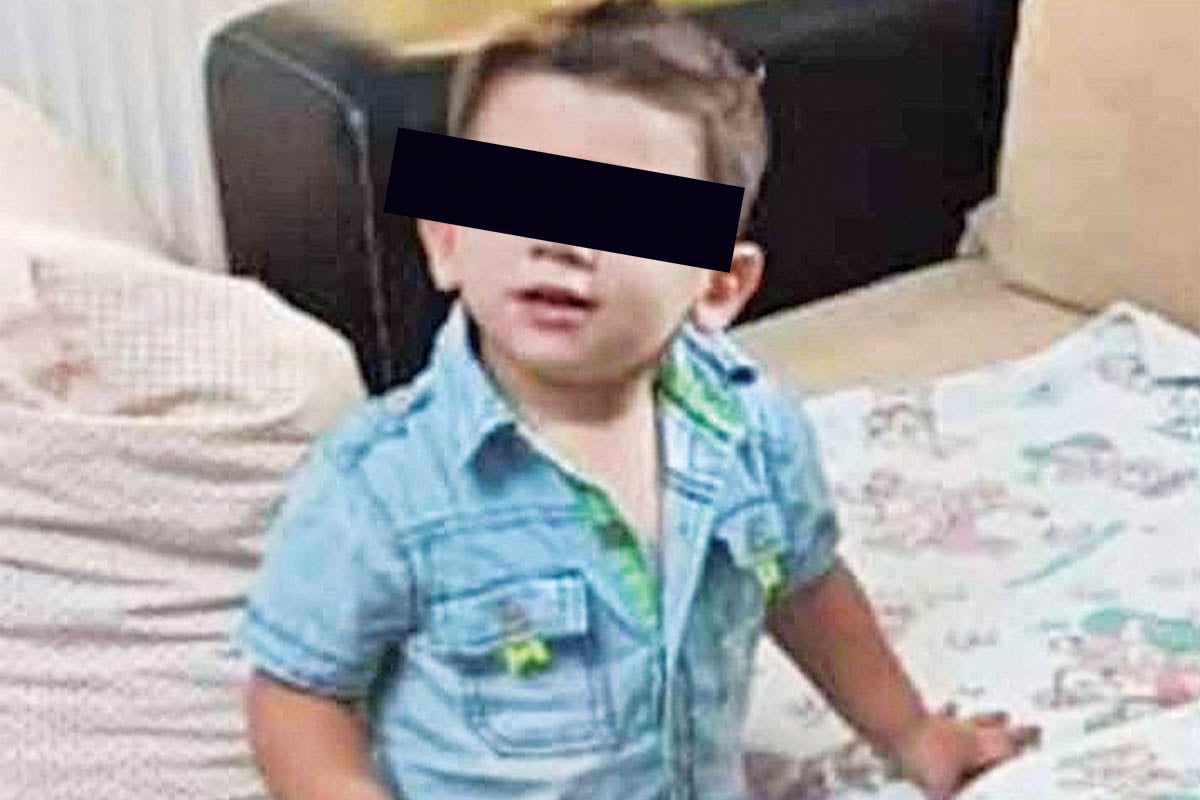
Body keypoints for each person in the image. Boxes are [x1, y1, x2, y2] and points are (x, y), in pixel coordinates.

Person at [233, 2, 1039, 798]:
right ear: (446, 240)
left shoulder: (753, 430)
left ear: (718, 286)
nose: (560, 243)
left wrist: (911, 734)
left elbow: (806, 586)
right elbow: (298, 692)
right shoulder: (382, 483)